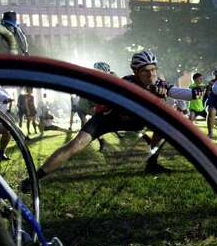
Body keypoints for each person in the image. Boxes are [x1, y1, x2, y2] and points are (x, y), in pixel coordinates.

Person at [28, 50, 192, 183]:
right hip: (108, 118)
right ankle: (35, 178)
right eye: (146, 72)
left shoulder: (159, 84)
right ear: (135, 72)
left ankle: (152, 164)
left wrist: (195, 93)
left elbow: (176, 92)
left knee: (163, 126)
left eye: (153, 70)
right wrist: (148, 93)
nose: (151, 75)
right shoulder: (125, 82)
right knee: (75, 144)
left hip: (135, 121)